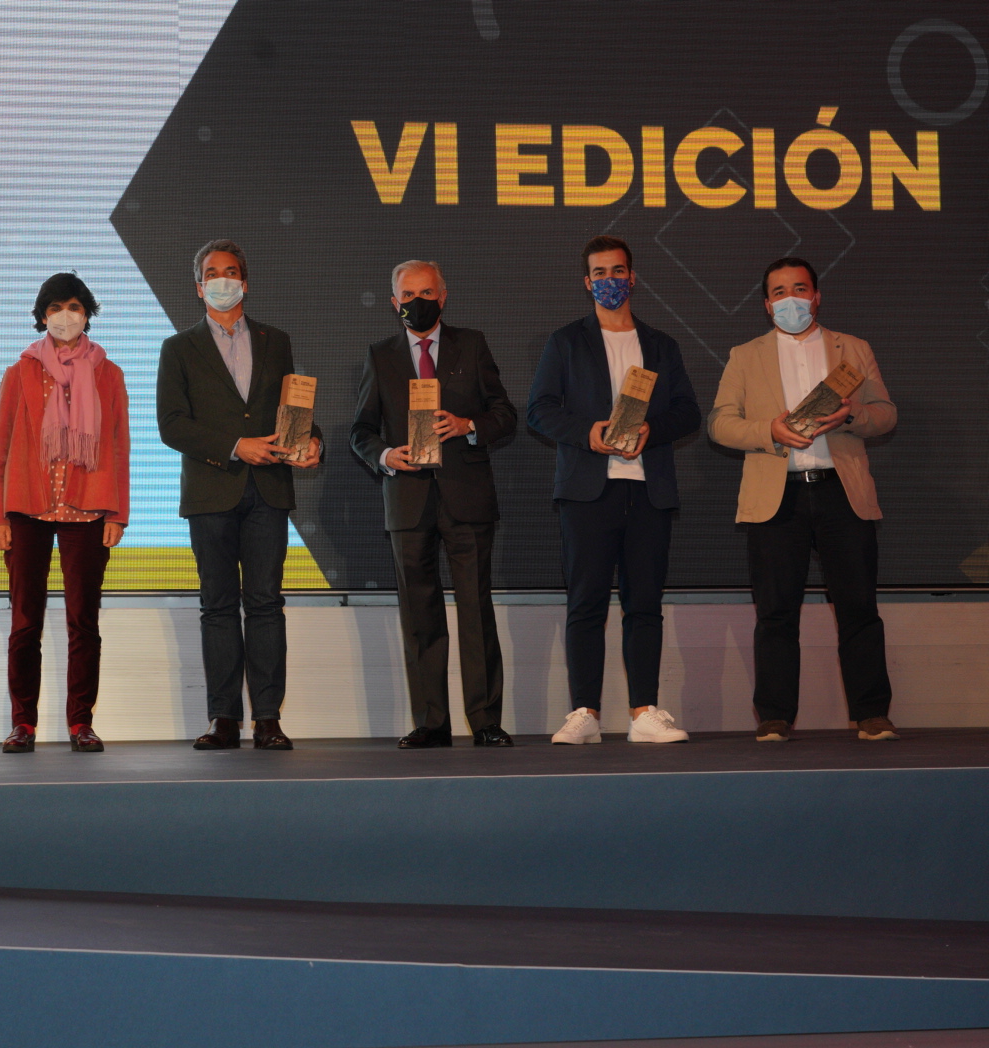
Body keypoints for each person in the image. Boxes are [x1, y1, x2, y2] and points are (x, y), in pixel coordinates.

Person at [708, 257, 899, 742]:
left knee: (858, 606)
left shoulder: (853, 349)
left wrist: (852, 415)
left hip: (842, 492)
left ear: (816, 297)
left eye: (799, 289)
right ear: (766, 304)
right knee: (775, 611)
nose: (790, 299)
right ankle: (774, 716)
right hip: (778, 497)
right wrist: (768, 430)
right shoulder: (744, 355)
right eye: (779, 292)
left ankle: (871, 714)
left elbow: (886, 414)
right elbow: (720, 423)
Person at [527, 236, 701, 746]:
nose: (610, 280)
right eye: (599, 273)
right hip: (587, 491)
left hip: (648, 491)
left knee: (644, 604)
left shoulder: (661, 345)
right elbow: (540, 410)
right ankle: (585, 713)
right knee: (585, 604)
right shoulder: (565, 341)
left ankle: (644, 712)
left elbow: (688, 412)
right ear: (587, 283)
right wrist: (588, 432)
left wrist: (653, 430)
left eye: (618, 271)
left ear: (633, 277)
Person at [156, 239, 321, 750]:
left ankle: (268, 719)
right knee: (219, 606)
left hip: (269, 491)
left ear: (245, 282)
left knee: (267, 603)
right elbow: (172, 425)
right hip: (211, 492)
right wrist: (235, 446)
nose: (222, 281)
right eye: (212, 273)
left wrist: (312, 442)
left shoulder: (277, 340)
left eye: (231, 272)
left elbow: (294, 410)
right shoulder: (178, 348)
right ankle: (223, 719)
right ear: (198, 286)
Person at [351, 259, 517, 748]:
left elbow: (504, 413)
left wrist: (469, 426)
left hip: (467, 497)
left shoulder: (473, 344)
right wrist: (386, 456)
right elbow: (361, 431)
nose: (417, 302)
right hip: (407, 501)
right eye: (408, 294)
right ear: (394, 302)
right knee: (418, 613)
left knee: (475, 610)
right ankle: (431, 722)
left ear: (443, 297)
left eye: (427, 293)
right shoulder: (380, 355)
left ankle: (484, 720)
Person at [0, 273, 130, 753]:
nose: (65, 316)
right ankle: (22, 723)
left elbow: (119, 446)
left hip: (88, 511)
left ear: (87, 313)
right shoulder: (20, 371)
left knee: (83, 622)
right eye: (54, 308)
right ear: (42, 316)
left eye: (73, 306)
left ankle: (80, 723)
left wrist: (118, 513)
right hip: (27, 509)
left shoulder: (109, 373)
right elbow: (0, 448)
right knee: (24, 621)